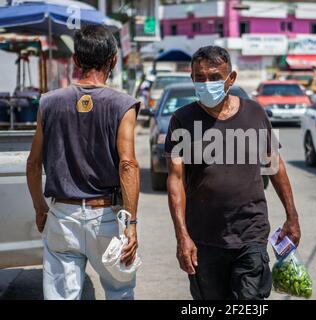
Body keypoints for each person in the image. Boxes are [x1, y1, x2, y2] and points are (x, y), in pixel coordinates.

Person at [165, 46, 301, 300]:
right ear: (192, 78)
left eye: (215, 77)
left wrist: (292, 216)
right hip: (204, 239)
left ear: (231, 78)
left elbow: (275, 166)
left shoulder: (254, 112)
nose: (207, 83)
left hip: (250, 234)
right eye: (201, 77)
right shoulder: (182, 120)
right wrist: (182, 236)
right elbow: (175, 181)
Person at [26, 25, 140, 300]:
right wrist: (132, 222)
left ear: (76, 60)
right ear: (113, 60)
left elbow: (33, 162)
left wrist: (41, 208)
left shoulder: (48, 102)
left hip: (63, 216)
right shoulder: (123, 104)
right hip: (108, 218)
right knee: (120, 291)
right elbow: (127, 164)